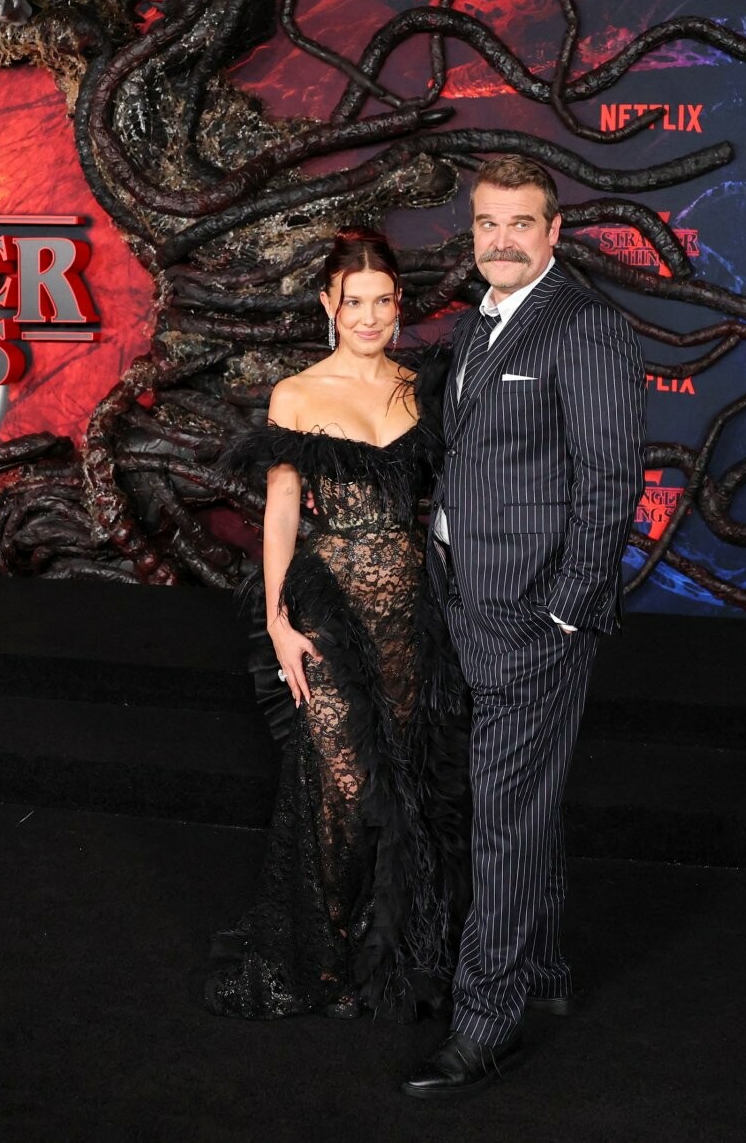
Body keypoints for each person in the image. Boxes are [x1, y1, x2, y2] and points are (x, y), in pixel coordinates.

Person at [402, 155, 647, 1098]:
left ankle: (483, 1023)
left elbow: (611, 479)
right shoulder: (478, 322)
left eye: (520, 223)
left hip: (536, 617)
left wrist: (566, 609)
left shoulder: (583, 324)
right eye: (487, 224)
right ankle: (539, 970)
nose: (501, 240)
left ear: (554, 231)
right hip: (468, 602)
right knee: (522, 803)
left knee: (503, 819)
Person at [203, 229, 468, 1022]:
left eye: (383, 301)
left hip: (411, 612)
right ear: (328, 303)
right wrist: (277, 621)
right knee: (343, 784)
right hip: (326, 606)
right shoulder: (297, 394)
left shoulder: (422, 387)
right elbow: (282, 513)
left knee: (404, 779)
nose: (370, 316)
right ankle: (321, 951)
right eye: (355, 302)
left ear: (399, 303)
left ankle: (385, 957)